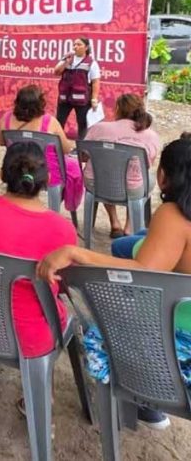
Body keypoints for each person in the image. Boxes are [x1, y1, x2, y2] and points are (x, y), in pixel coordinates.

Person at [38, 134, 191, 430]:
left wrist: (75, 252)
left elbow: (142, 271)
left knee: (99, 329)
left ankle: (145, 395)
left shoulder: (174, 216)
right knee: (128, 249)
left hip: (179, 355)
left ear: (162, 177)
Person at [0, 142, 77, 417]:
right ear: (45, 180)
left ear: (2, 174)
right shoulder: (62, 229)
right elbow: (64, 287)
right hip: (30, 337)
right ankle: (44, 395)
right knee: (58, 310)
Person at [0, 84, 83, 219]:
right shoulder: (50, 122)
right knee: (74, 168)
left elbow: (1, 142)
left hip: (15, 169)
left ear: (18, 102)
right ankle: (55, 209)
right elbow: (66, 149)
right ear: (40, 103)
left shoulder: (6, 119)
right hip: (45, 171)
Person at [83, 93, 161, 237]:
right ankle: (129, 227)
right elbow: (148, 163)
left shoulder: (99, 128)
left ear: (117, 109)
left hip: (97, 185)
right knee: (146, 177)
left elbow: (83, 155)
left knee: (103, 172)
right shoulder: (151, 135)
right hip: (133, 189)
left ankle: (115, 223)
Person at [53, 37, 101, 139]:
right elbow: (56, 72)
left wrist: (94, 99)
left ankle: (80, 148)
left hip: (82, 100)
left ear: (86, 47)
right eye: (74, 44)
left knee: (82, 125)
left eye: (79, 44)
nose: (75, 47)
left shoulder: (91, 63)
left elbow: (95, 82)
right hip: (64, 98)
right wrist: (66, 63)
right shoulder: (67, 58)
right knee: (59, 122)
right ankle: (57, 144)